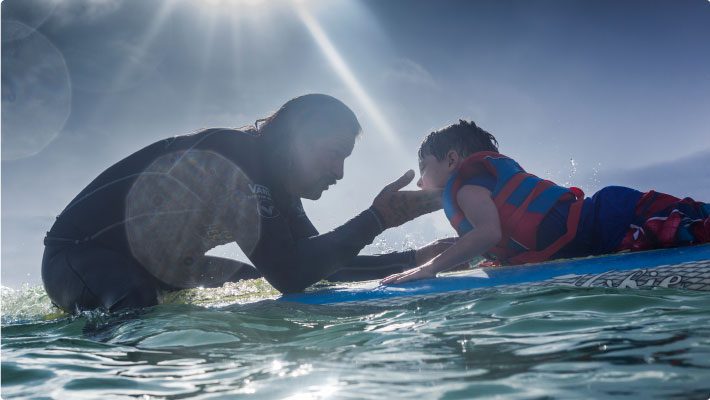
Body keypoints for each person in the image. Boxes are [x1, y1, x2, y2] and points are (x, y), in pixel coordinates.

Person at [42, 94, 447, 313]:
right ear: (297, 140)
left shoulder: (274, 184)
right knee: (134, 298)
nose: (339, 173)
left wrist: (418, 258)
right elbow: (290, 273)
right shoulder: (234, 159)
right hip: (79, 257)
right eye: (334, 153)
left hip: (165, 268)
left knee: (247, 281)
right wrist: (376, 218)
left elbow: (319, 265)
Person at [382, 120, 710, 285]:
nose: (421, 181)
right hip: (610, 220)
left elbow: (488, 234)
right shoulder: (481, 184)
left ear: (452, 159)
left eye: (424, 167)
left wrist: (430, 268)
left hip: (613, 219)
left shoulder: (467, 188)